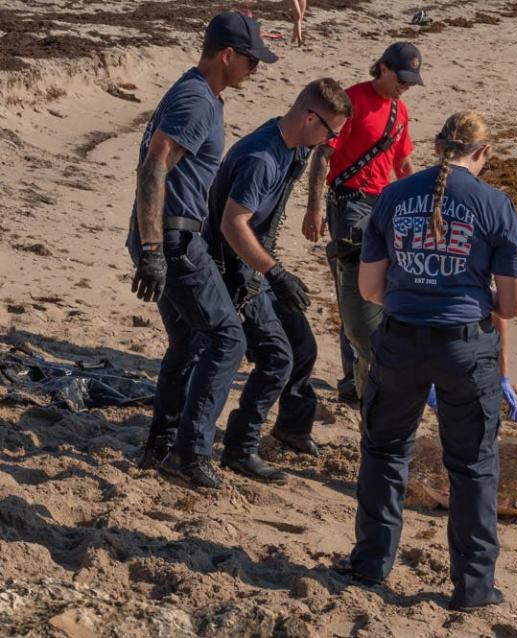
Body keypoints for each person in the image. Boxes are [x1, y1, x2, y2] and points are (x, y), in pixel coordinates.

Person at [336, 111, 517, 611]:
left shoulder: (394, 197)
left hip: (400, 340)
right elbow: (513, 306)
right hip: (465, 347)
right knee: (473, 466)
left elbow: (370, 289)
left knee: (384, 452)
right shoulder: (495, 205)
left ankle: (370, 564)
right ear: (482, 154)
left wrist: (418, 284)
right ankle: (473, 587)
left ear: (437, 146)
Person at [126, 12, 277, 489]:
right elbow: (154, 168)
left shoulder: (198, 93)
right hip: (174, 238)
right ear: (227, 55)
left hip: (168, 235)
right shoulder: (196, 100)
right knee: (227, 339)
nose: (256, 69)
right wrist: (152, 248)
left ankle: (161, 443)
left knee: (190, 340)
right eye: (252, 60)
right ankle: (189, 452)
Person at [206, 78, 353, 482]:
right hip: (234, 269)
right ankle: (240, 447)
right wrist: (275, 271)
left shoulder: (296, 148)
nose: (331, 143)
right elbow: (232, 224)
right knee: (276, 358)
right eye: (330, 133)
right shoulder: (262, 157)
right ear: (310, 118)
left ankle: (291, 427)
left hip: (260, 266)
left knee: (303, 346)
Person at [301, 42, 422, 403]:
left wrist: (419, 205)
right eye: (402, 78)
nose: (406, 85)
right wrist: (313, 208)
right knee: (353, 291)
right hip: (349, 205)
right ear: (383, 68)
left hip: (385, 207)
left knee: (378, 291)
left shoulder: (400, 112)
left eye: (412, 81)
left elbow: (402, 165)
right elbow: (323, 155)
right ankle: (352, 381)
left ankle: (363, 373)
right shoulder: (352, 101)